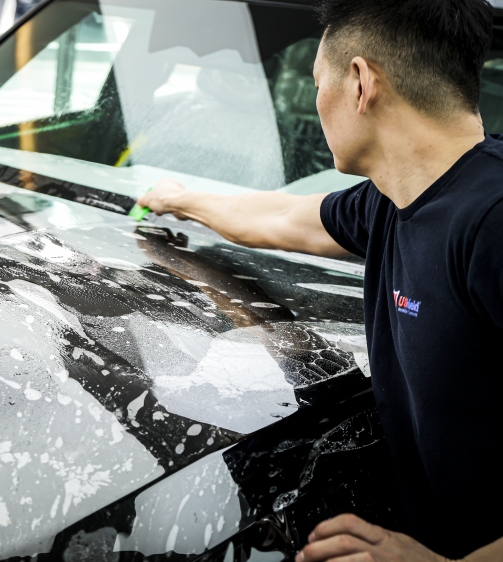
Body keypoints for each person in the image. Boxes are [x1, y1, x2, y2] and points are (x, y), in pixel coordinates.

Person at [136, 0, 503, 560]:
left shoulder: (492, 223)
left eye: (316, 82)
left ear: (360, 82)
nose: (315, 100)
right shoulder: (394, 199)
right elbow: (283, 218)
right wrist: (181, 201)